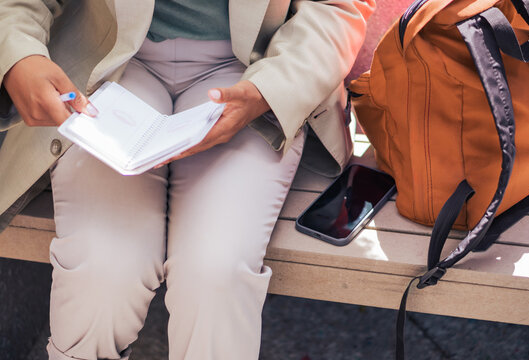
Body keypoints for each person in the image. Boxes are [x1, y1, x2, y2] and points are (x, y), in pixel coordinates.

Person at [0, 1, 375, 359]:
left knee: (215, 273)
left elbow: (338, 7)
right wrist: (18, 56)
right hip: (110, 66)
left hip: (253, 70)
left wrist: (268, 90)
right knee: (103, 271)